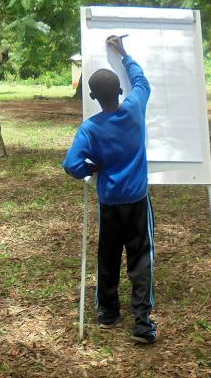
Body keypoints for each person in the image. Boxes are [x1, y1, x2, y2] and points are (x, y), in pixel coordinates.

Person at [62, 35, 157, 344]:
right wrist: (124, 52)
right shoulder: (133, 108)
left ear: (91, 95)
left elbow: (71, 165)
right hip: (138, 201)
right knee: (141, 259)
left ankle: (109, 314)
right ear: (119, 91)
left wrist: (92, 167)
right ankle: (143, 323)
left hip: (110, 203)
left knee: (108, 255)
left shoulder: (90, 128)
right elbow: (141, 81)